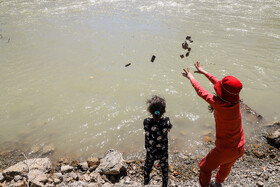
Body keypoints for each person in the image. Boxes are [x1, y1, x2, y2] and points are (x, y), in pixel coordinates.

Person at [182, 62, 245, 187]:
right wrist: (204, 72)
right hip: (240, 146)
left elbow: (201, 91)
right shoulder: (235, 101)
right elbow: (217, 82)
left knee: (205, 167)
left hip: (225, 149)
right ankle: (218, 183)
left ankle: (205, 186)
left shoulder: (218, 104)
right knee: (226, 166)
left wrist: (191, 77)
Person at [143, 95, 173, 187]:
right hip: (162, 152)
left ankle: (146, 181)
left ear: (150, 111)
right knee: (164, 168)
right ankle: (164, 184)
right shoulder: (166, 121)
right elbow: (168, 129)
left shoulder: (146, 122)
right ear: (164, 111)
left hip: (151, 151)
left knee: (147, 166)